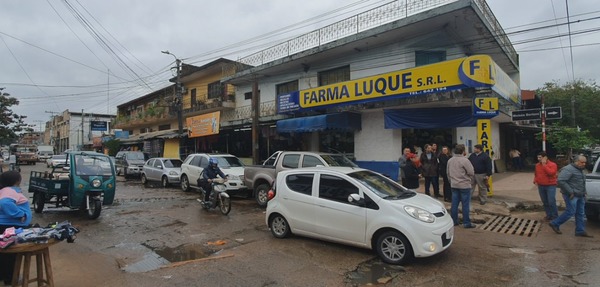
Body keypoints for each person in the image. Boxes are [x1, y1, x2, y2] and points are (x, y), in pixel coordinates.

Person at [0, 171, 32, 285]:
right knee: (11, 254)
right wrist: (20, 214)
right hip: (10, 227)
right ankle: (10, 279)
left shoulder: (5, 190)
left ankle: (4, 276)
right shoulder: (10, 191)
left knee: (5, 253)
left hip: (6, 226)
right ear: (17, 181)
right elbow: (5, 203)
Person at [549, 155, 593, 237]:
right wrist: (571, 192)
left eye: (585, 162)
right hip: (571, 195)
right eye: (582, 162)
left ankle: (580, 231)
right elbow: (561, 181)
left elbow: (581, 182)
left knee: (580, 213)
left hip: (580, 195)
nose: (584, 164)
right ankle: (555, 223)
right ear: (576, 162)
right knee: (571, 212)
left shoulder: (582, 170)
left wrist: (584, 192)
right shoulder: (568, 169)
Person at [447, 144, 476, 228]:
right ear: (463, 151)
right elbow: (471, 172)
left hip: (454, 185)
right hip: (464, 185)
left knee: (454, 204)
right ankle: (466, 222)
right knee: (465, 205)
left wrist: (452, 181)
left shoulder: (450, 160)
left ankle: (454, 221)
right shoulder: (465, 160)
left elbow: (448, 173)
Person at [533, 152, 558, 220]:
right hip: (541, 185)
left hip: (550, 185)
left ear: (545, 157)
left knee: (551, 201)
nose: (538, 159)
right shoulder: (537, 165)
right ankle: (549, 215)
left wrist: (544, 165)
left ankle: (555, 216)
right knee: (545, 201)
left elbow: (551, 173)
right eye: (538, 157)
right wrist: (535, 180)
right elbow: (536, 174)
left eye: (540, 157)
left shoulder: (553, 164)